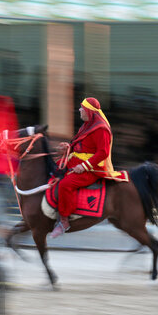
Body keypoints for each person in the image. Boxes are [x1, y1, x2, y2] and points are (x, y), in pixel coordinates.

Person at [50, 97, 121, 238]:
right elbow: (83, 147)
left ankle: (64, 221)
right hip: (75, 161)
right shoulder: (87, 125)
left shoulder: (101, 129)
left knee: (65, 184)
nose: (79, 110)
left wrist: (84, 166)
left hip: (93, 169)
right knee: (52, 171)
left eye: (82, 108)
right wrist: (69, 148)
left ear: (89, 111)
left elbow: (103, 152)